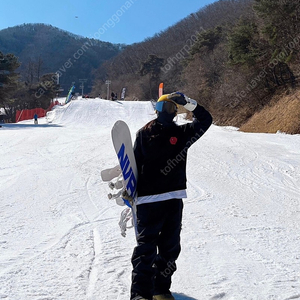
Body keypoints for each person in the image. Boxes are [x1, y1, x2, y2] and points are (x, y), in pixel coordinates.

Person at [131, 92, 213, 300]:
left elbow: (206, 120)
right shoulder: (144, 134)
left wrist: (190, 103)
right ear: (156, 111)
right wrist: (130, 191)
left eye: (171, 108)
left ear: (176, 112)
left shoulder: (184, 133)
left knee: (170, 248)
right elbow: (133, 165)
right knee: (145, 249)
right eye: (163, 108)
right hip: (148, 201)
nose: (166, 112)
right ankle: (140, 294)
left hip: (173, 200)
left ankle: (160, 289)